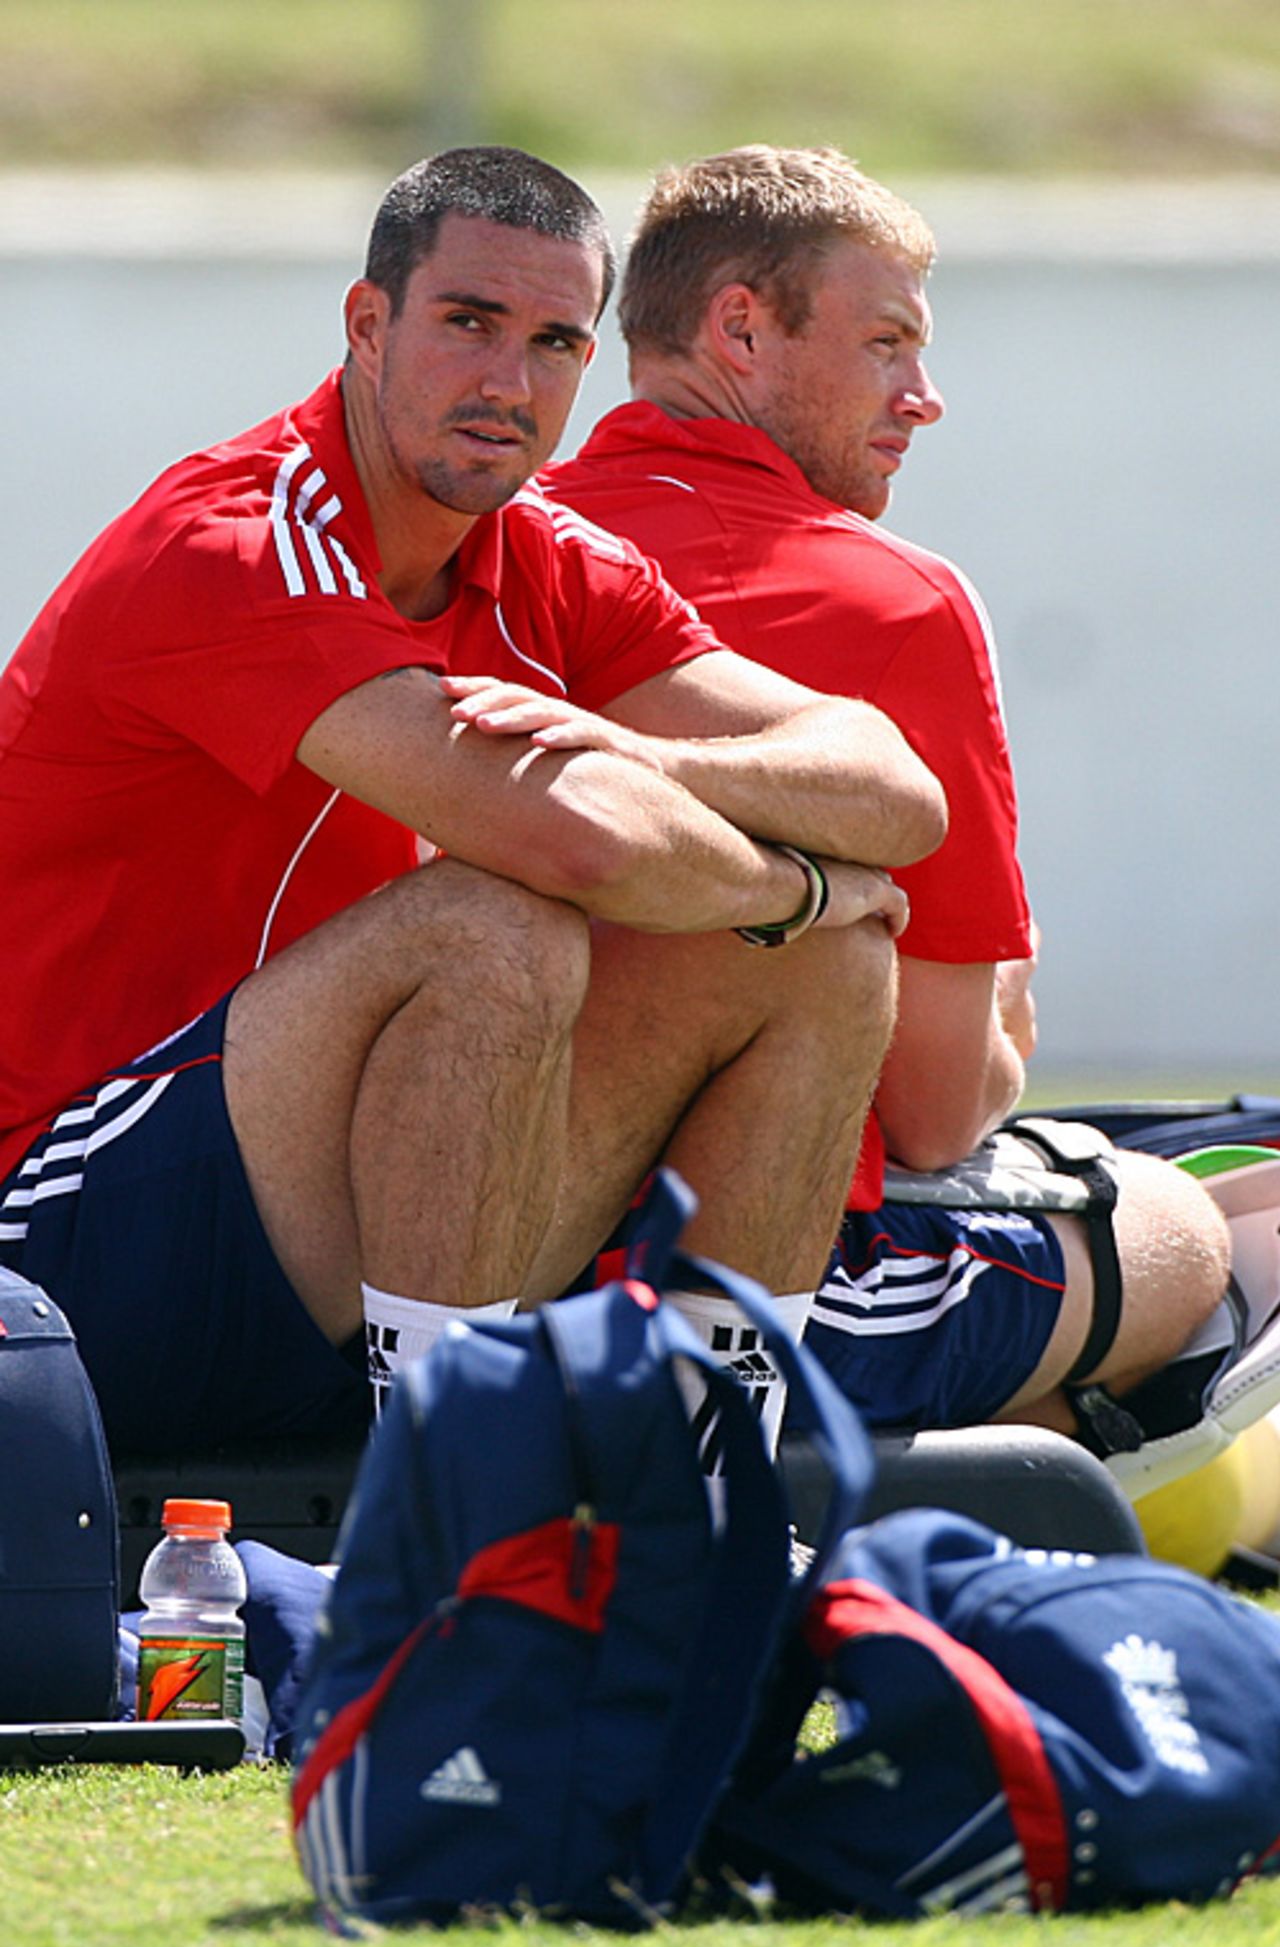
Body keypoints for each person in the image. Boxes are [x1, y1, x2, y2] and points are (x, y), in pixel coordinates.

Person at [0, 147, 946, 1456]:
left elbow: (896, 789)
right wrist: (800, 884)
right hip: (61, 1249)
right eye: (468, 323)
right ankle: (445, 1515)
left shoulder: (547, 557)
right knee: (496, 929)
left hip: (338, 1235)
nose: (509, 382)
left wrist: (659, 766)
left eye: (554, 343)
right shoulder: (233, 539)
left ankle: (705, 1506)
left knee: (828, 966)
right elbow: (578, 839)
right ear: (367, 324)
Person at [543, 143, 1231, 1449]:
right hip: (740, 1284)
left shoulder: (484, 551)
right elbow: (933, 1112)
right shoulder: (894, 600)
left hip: (446, 1271)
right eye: (887, 345)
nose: (925, 398)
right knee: (1202, 1231)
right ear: (740, 328)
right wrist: (1011, 1009)